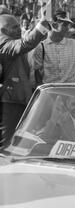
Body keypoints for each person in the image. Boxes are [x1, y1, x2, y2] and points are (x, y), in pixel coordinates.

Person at [0, 13, 50, 147]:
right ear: (4, 31)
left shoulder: (9, 42)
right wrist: (42, 25)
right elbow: (25, 43)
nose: (19, 30)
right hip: (11, 100)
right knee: (7, 143)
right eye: (15, 27)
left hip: (16, 99)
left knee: (14, 142)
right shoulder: (4, 43)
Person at [33, 9, 75, 85]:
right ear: (54, 25)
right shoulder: (41, 47)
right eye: (65, 25)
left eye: (68, 25)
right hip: (52, 93)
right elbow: (36, 71)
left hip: (71, 93)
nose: (68, 28)